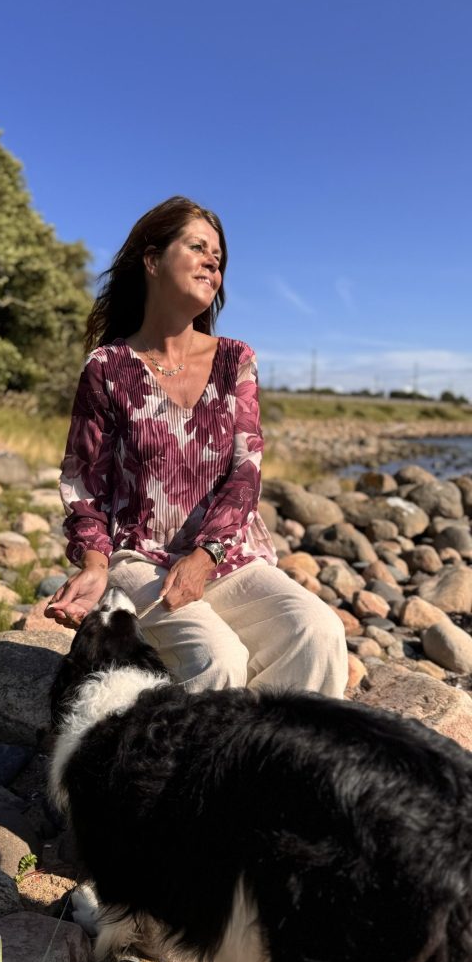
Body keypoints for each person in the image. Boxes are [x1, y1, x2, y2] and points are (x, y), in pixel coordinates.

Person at [46, 196, 348, 698]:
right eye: (198, 247)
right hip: (140, 557)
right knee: (218, 657)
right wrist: (95, 565)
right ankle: (188, 750)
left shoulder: (235, 360)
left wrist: (205, 556)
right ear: (152, 260)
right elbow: (84, 483)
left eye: (219, 257)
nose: (213, 262)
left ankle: (277, 750)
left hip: (225, 554)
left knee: (317, 632)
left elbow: (246, 473)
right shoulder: (106, 367)